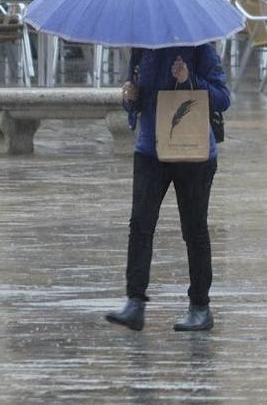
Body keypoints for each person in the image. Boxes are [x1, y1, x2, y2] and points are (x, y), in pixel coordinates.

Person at [105, 44, 230, 332]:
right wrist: (131, 98)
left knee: (194, 228)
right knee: (140, 224)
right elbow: (139, 98)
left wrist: (190, 79)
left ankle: (200, 306)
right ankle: (135, 302)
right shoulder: (141, 49)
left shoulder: (200, 49)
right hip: (150, 149)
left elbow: (223, 98)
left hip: (193, 152)